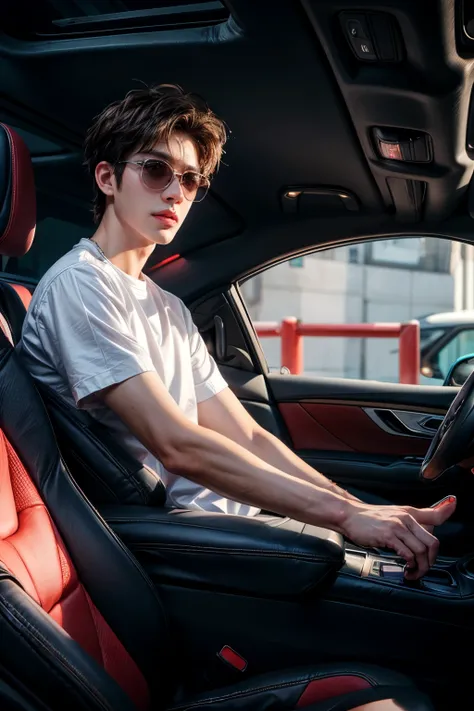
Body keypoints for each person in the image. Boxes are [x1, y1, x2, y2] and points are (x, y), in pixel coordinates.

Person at [18, 84, 455, 580]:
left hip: (228, 521)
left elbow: (247, 434)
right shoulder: (82, 285)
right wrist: (346, 518)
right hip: (175, 541)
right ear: (108, 178)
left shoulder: (167, 306)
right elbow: (176, 444)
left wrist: (356, 507)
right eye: (155, 169)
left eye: (190, 180)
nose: (175, 192)